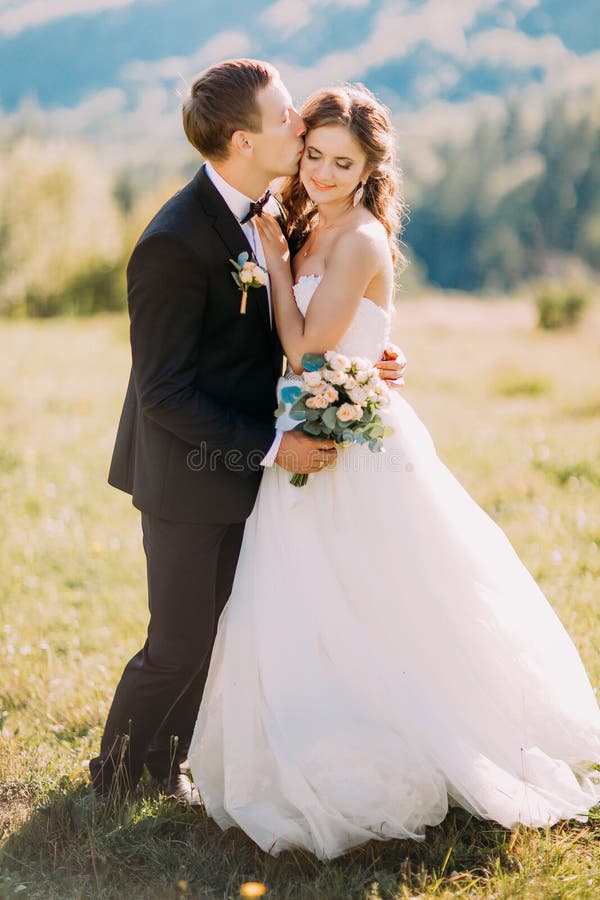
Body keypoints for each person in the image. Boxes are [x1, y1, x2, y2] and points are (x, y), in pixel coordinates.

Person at [188, 83, 600, 859]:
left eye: (343, 163)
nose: (322, 173)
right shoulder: (307, 217)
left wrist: (276, 269)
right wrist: (286, 252)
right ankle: (304, 739)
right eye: (312, 155)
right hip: (305, 431)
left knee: (382, 598)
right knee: (302, 599)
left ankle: (419, 739)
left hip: (358, 450)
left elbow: (309, 349)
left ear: (373, 166)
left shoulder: (362, 239)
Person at [89, 60, 405, 804]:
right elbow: (162, 391)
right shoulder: (172, 241)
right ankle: (115, 784)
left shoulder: (272, 212)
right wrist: (273, 446)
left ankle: (171, 769)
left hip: (246, 467)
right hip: (188, 473)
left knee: (224, 634)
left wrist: (367, 358)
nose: (301, 123)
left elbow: (290, 323)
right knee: (178, 643)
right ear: (243, 139)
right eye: (288, 115)